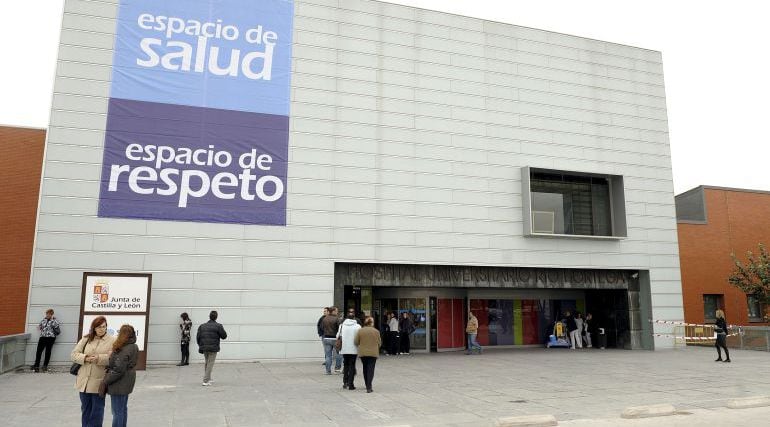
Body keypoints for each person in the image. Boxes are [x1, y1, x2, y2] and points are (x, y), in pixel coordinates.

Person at [71, 315, 115, 427]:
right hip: (83, 382)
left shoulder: (112, 340)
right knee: (85, 410)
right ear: (94, 328)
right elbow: (73, 354)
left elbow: (114, 359)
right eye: (99, 327)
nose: (102, 329)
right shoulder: (86, 339)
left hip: (99, 383)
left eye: (104, 327)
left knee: (97, 411)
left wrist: (99, 358)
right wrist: (85, 357)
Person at [104, 324, 139, 427]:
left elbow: (118, 369)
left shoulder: (123, 348)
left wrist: (106, 380)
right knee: (123, 409)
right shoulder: (134, 346)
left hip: (119, 384)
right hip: (128, 381)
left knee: (117, 412)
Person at [197, 310, 228, 386]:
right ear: (216, 317)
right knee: (210, 363)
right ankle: (205, 380)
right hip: (213, 348)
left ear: (209, 316)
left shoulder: (202, 326)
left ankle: (208, 378)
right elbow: (224, 336)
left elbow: (198, 337)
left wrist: (200, 345)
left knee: (207, 363)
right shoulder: (218, 326)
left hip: (204, 347)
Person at [355, 316, 381, 393]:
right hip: (373, 353)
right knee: (371, 369)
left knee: (365, 368)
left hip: (363, 353)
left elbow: (356, 342)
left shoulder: (360, 331)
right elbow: (379, 343)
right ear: (372, 323)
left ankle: (367, 384)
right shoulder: (376, 331)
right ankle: (369, 386)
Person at [338, 309, 362, 390]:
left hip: (344, 348)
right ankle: (351, 384)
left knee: (346, 365)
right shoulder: (358, 326)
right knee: (352, 365)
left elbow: (337, 335)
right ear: (354, 317)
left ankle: (345, 382)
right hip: (354, 348)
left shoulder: (342, 325)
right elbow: (360, 337)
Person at [32, 308, 61, 372]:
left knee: (48, 352)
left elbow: (58, 331)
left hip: (51, 338)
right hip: (42, 337)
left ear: (51, 314)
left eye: (49, 314)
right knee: (39, 351)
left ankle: (45, 366)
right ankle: (36, 365)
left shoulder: (54, 321)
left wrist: (52, 328)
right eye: (47, 314)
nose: (47, 315)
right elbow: (40, 326)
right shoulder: (43, 320)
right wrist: (39, 327)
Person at [320, 306, 341, 374]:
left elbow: (321, 327)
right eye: (336, 311)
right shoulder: (337, 319)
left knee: (328, 355)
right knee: (339, 354)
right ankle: (337, 369)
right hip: (335, 338)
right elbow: (339, 329)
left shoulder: (325, 318)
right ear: (333, 311)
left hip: (326, 338)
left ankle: (328, 371)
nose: (337, 312)